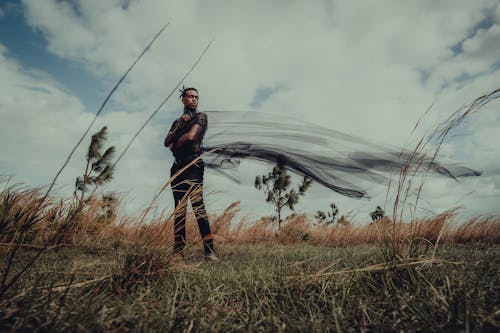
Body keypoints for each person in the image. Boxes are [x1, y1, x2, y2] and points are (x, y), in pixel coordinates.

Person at [164, 87, 219, 261]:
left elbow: (190, 137)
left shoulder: (201, 117)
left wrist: (176, 142)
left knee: (198, 208)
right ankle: (178, 252)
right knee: (179, 209)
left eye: (196, 97)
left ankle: (209, 251)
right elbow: (166, 142)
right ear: (183, 100)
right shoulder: (177, 121)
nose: (194, 99)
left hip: (193, 166)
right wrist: (179, 126)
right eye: (190, 96)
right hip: (177, 167)